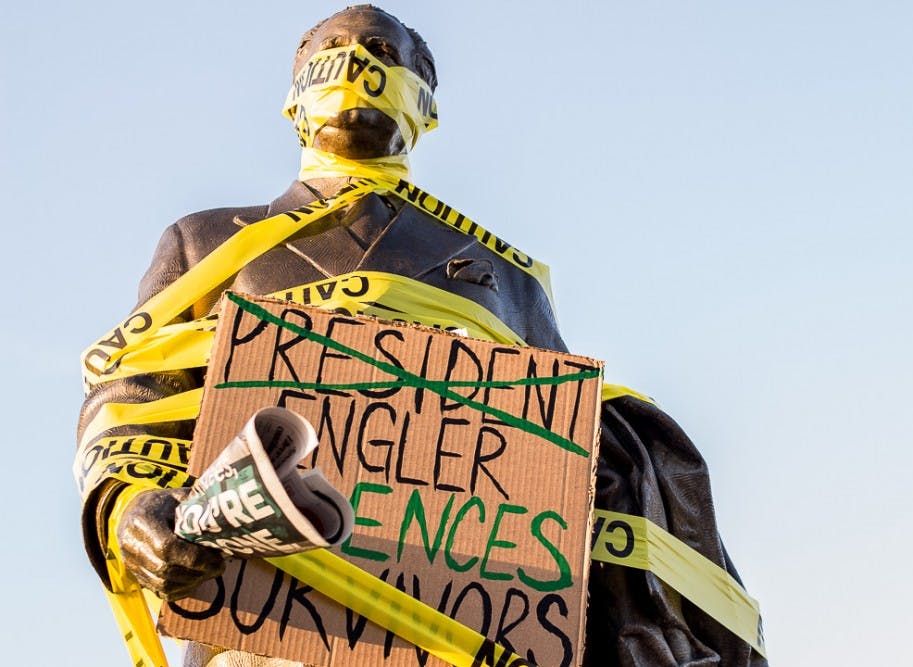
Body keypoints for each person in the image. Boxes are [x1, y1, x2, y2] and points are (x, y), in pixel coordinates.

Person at [76, 5, 765, 666]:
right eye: (330, 54)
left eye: (381, 53)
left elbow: (566, 452)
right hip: (262, 631)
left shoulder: (504, 274)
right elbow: (132, 396)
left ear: (428, 108)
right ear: (293, 100)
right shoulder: (203, 241)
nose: (353, 65)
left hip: (466, 635)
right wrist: (129, 504)